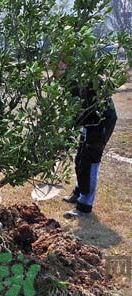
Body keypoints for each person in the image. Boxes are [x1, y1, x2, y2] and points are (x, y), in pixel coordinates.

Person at [58, 62, 118, 218]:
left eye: (58, 66)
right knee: (79, 158)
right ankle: (79, 192)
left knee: (89, 162)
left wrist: (66, 134)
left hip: (101, 122)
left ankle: (85, 205)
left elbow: (81, 111)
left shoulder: (82, 78)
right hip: (89, 121)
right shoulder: (72, 77)